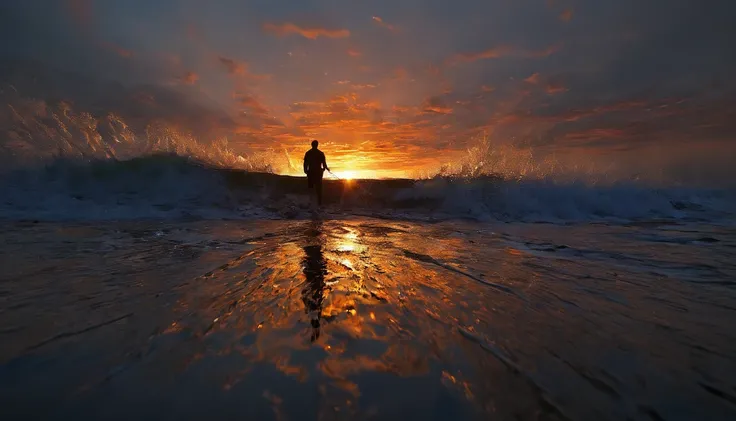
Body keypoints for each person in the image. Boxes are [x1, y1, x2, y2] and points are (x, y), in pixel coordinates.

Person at [303, 139, 329, 205]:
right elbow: (324, 164)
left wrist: (305, 170)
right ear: (317, 145)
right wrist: (325, 168)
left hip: (311, 172)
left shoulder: (308, 153)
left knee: (311, 188)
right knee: (318, 188)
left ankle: (311, 202)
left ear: (312, 145)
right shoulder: (320, 153)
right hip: (317, 172)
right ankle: (318, 203)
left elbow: (305, 163)